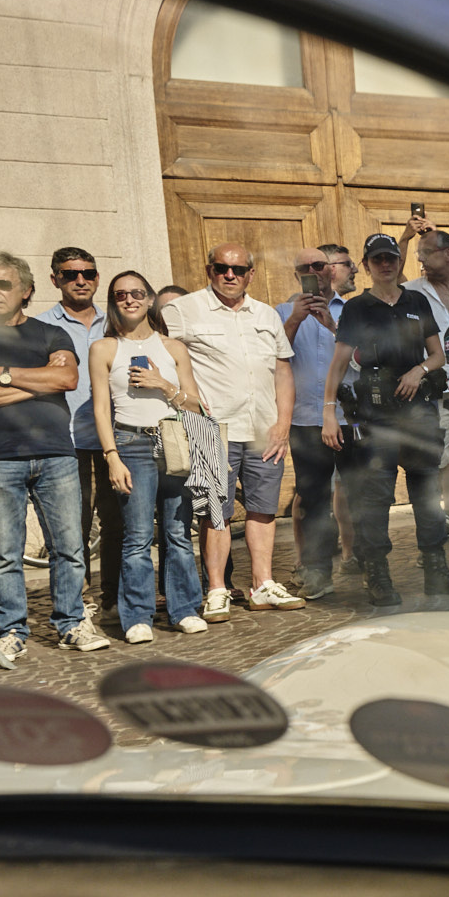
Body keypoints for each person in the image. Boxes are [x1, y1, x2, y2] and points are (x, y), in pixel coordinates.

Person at [0, 252, 109, 661]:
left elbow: (68, 378)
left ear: (26, 290)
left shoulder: (50, 335)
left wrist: (1, 374)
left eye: (3, 284)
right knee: (4, 552)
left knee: (69, 547)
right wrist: (39, 383)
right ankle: (11, 630)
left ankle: (71, 623)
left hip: (56, 454)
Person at [324, 233, 449, 606]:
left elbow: (438, 355)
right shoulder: (358, 308)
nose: (385, 264)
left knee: (426, 493)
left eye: (391, 258)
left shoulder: (416, 301)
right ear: (367, 264)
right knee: (376, 498)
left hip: (418, 410)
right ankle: (378, 575)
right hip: (376, 415)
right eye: (377, 259)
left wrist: (417, 370)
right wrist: (329, 411)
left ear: (398, 262)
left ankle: (436, 570)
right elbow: (340, 362)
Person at [170, 242, 301, 619]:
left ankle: (262, 584)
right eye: (222, 268)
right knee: (215, 513)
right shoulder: (183, 310)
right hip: (212, 429)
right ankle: (216, 589)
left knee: (263, 510)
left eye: (238, 269)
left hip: (264, 428)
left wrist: (283, 424)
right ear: (209, 270)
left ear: (251, 274)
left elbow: (283, 371)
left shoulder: (266, 315)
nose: (230, 275)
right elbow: (171, 362)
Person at [88, 270, 205, 643]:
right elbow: (101, 409)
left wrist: (162, 384)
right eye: (121, 295)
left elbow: (195, 404)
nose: (130, 300)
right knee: (136, 536)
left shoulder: (172, 348)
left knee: (177, 532)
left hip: (172, 440)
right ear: (113, 302)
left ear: (151, 299)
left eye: (137, 293)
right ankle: (137, 616)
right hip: (130, 444)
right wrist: (111, 456)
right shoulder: (104, 348)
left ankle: (183, 609)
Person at [35, 247, 121, 616]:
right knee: (73, 526)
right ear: (55, 280)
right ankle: (78, 601)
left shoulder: (115, 322)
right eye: (70, 274)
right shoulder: (41, 327)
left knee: (117, 520)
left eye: (88, 272)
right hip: (65, 441)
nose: (81, 280)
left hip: (112, 439)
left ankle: (114, 598)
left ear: (97, 277)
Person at [284, 243, 357, 600]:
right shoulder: (281, 312)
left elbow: (364, 356)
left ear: (331, 270)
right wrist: (296, 319)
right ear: (296, 275)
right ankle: (316, 572)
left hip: (351, 417)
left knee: (360, 494)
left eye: (319, 265)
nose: (313, 273)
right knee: (313, 499)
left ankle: (369, 566)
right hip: (305, 421)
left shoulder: (354, 311)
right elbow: (272, 360)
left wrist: (332, 325)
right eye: (305, 268)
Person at [401, 221, 449, 527]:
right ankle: (447, 516)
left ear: (448, 254)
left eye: (426, 253)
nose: (420, 260)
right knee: (442, 456)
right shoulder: (414, 291)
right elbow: (392, 279)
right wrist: (405, 238)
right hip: (437, 388)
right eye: (418, 253)